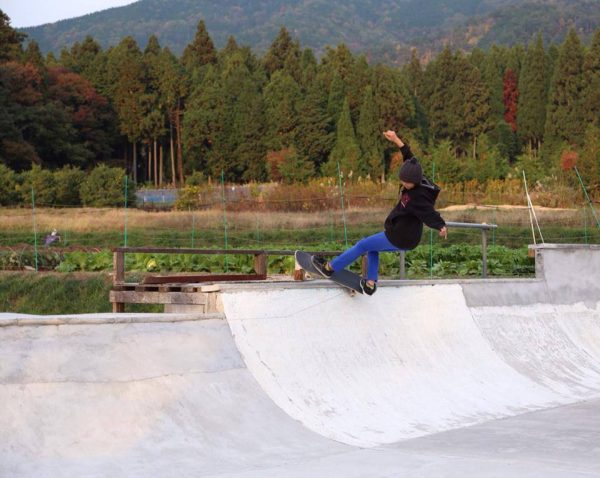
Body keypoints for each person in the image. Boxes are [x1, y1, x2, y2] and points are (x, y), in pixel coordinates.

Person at [312, 130, 448, 295]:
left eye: (406, 183)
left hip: (400, 236)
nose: (403, 184)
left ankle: (329, 268)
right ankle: (370, 284)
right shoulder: (416, 173)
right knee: (372, 249)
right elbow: (409, 157)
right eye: (402, 180)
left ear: (415, 181)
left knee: (362, 245)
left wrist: (440, 225)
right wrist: (396, 139)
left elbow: (429, 212)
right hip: (403, 234)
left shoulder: (419, 197)